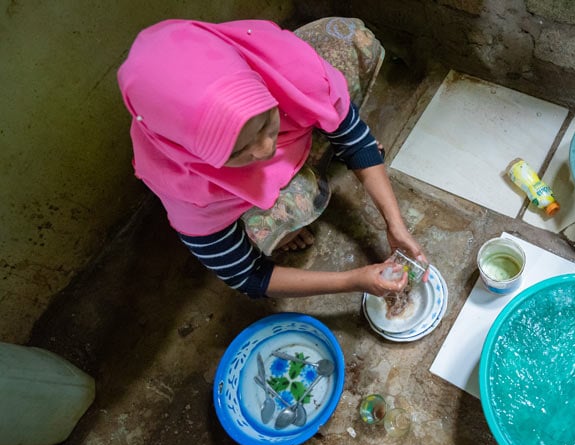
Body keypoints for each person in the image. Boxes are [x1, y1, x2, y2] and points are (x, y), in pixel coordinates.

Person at [117, 17, 427, 299]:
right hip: (240, 189)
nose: (266, 149)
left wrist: (395, 225)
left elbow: (354, 137)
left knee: (351, 40)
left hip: (291, 105)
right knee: (300, 197)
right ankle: (280, 221)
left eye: (266, 121)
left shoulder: (282, 69)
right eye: (236, 151)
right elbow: (248, 276)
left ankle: (310, 137)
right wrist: (355, 280)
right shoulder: (186, 189)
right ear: (190, 152)